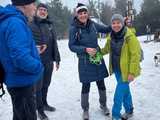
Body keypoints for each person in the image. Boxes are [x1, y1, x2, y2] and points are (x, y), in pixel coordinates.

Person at [0, 0, 43, 120]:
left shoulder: (9, 20)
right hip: (22, 82)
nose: (35, 8)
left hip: (16, 80)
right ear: (24, 5)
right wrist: (38, 66)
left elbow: (13, 50)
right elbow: (20, 57)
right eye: (33, 4)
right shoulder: (15, 22)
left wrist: (33, 50)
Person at [68, 3, 111, 120]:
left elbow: (107, 29)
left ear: (88, 14)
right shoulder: (74, 28)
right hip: (84, 61)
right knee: (86, 85)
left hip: (97, 59)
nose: (83, 15)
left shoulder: (93, 25)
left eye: (84, 13)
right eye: (80, 13)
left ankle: (103, 105)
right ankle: (85, 109)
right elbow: (71, 46)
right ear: (77, 15)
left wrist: (118, 23)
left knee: (101, 83)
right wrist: (85, 49)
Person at [101, 14, 141, 120]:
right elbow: (106, 49)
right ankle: (129, 110)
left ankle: (115, 115)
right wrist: (97, 53)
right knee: (125, 91)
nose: (116, 25)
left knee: (118, 94)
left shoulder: (129, 37)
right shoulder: (111, 36)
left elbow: (135, 55)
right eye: (113, 23)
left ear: (122, 23)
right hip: (117, 69)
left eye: (118, 22)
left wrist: (132, 73)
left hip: (127, 71)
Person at [29, 3, 61, 120]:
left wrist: (57, 58)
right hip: (37, 62)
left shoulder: (49, 25)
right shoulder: (31, 24)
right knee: (38, 87)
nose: (43, 12)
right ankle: (40, 110)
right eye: (41, 9)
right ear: (36, 11)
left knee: (46, 84)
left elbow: (54, 43)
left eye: (45, 10)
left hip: (48, 61)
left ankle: (44, 103)